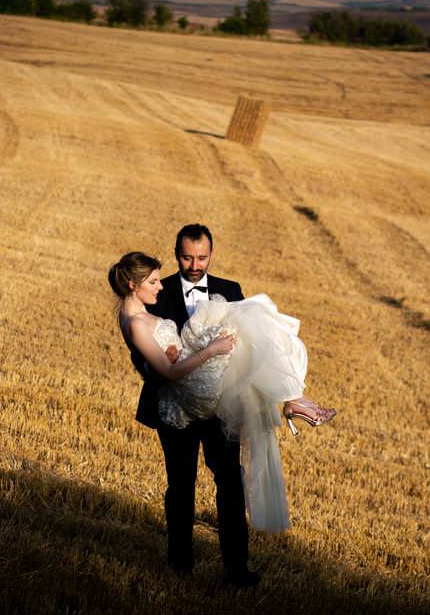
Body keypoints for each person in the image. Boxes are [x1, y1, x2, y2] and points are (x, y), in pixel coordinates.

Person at [108, 225, 335, 587]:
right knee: (180, 486)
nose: (195, 264)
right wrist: (155, 366)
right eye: (186, 257)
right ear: (176, 253)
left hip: (222, 411)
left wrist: (246, 408)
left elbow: (248, 353)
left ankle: (236, 569)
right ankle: (180, 565)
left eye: (202, 257)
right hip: (177, 409)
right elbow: (143, 355)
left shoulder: (230, 291)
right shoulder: (158, 292)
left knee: (231, 485)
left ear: (211, 254)